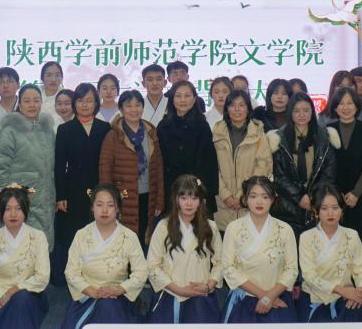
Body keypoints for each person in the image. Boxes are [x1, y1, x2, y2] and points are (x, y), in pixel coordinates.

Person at [61, 183, 148, 328]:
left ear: (118, 208)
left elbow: (141, 272)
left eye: (110, 205)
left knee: (108, 306)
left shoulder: (129, 236)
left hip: (117, 296)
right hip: (87, 295)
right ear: (92, 207)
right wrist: (93, 292)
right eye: (99, 204)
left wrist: (118, 290)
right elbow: (71, 272)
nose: (105, 210)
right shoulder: (81, 235)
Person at [0, 185, 51, 328]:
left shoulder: (38, 236)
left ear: (26, 210)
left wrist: (13, 291)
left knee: (21, 299)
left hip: (30, 295)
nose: (13, 214)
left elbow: (42, 277)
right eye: (7, 209)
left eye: (18, 208)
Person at [221, 175, 299, 323]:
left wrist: (270, 296)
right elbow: (228, 268)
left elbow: (292, 269)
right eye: (253, 196)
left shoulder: (285, 229)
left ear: (273, 199)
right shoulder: (233, 228)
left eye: (265, 196)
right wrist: (263, 295)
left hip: (277, 297)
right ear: (245, 199)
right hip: (243, 298)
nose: (259, 201)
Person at [147, 175, 224, 323]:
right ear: (176, 199)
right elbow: (152, 265)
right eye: (184, 198)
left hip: (201, 295)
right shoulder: (163, 227)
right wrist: (178, 290)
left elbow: (220, 263)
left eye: (194, 198)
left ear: (201, 201)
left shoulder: (211, 227)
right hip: (170, 294)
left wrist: (208, 286)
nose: (189, 203)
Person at [54, 83, 111, 284]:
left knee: (98, 231)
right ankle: (73, 276)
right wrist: (61, 195)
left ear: (96, 103)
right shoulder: (64, 129)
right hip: (73, 188)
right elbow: (59, 165)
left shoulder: (105, 128)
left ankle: (96, 274)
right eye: (80, 100)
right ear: (74, 103)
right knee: (74, 233)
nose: (85, 105)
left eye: (89, 100)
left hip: (99, 188)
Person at [0, 84, 57, 248]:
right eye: (27, 101)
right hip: (17, 201)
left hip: (45, 199)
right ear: (19, 104)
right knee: (18, 248)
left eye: (36, 100)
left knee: (41, 247)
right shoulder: (9, 132)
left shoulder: (48, 131)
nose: (32, 105)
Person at [297, 184, 362, 323]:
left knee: (358, 310)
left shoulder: (352, 235)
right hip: (315, 298)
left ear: (342, 210)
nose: (330, 213)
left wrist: (359, 291)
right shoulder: (306, 238)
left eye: (335, 208)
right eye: (324, 208)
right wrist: (341, 290)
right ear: (316, 211)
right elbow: (309, 275)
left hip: (347, 297)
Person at [99, 89, 164, 243]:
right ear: (121, 109)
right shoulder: (113, 135)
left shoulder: (151, 133)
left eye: (138, 105)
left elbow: (158, 168)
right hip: (123, 197)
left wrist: (160, 199)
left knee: (145, 238)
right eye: (129, 106)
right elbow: (105, 169)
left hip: (148, 195)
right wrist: (108, 200)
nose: (134, 110)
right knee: (123, 240)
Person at [271, 92, 337, 236]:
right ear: (290, 113)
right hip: (288, 208)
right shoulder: (279, 138)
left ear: (312, 112)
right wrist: (299, 197)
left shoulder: (324, 136)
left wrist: (313, 197)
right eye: (296, 111)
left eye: (306, 110)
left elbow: (328, 173)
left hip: (317, 205)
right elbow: (279, 176)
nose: (301, 115)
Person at [212, 90, 274, 230]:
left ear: (248, 108)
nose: (237, 109)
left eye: (242, 105)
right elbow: (211, 167)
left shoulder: (258, 134)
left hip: (250, 203)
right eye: (232, 105)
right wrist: (226, 195)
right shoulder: (216, 132)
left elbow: (263, 166)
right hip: (222, 205)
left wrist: (243, 195)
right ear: (227, 108)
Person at [326, 86, 362, 250]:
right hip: (335, 196)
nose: (346, 107)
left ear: (357, 106)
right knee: (337, 243)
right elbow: (326, 165)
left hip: (361, 194)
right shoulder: (328, 130)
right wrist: (335, 193)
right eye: (341, 103)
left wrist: (356, 193)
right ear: (335, 107)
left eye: (350, 103)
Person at [156, 80, 219, 214]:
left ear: (194, 99)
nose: (183, 100)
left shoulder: (202, 125)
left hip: (197, 189)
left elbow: (209, 162)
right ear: (172, 99)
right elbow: (159, 162)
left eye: (187, 95)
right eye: (178, 96)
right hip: (171, 189)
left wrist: (206, 191)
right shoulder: (163, 126)